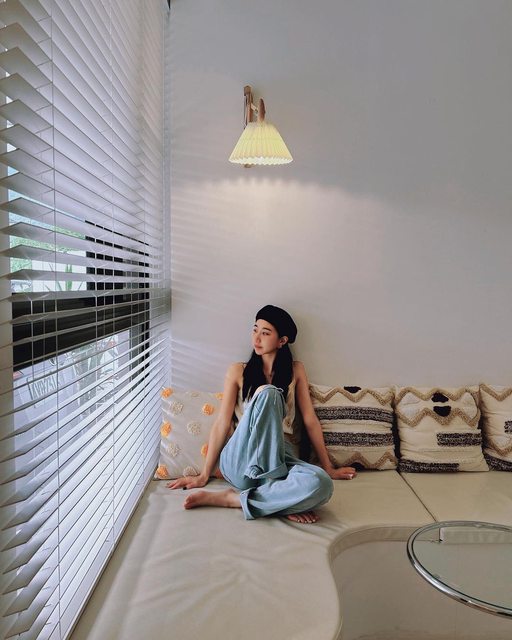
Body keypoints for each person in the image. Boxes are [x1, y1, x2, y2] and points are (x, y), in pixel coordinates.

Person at [167, 305, 357, 523]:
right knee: (269, 393)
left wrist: (329, 468)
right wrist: (204, 474)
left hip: (281, 457)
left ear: (282, 341)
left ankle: (238, 499)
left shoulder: (296, 370)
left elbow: (309, 420)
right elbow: (222, 423)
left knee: (322, 484)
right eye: (255, 330)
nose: (256, 338)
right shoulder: (238, 371)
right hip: (241, 459)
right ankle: (278, 494)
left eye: (265, 333)